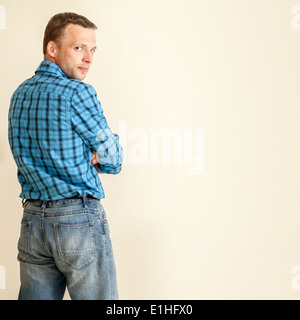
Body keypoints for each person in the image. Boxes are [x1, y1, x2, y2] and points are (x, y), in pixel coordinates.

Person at [8, 12, 123, 300]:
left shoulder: (19, 94)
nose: (89, 58)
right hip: (78, 221)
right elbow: (114, 158)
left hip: (33, 221)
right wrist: (94, 154)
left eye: (92, 49)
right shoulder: (76, 93)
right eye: (79, 47)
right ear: (52, 48)